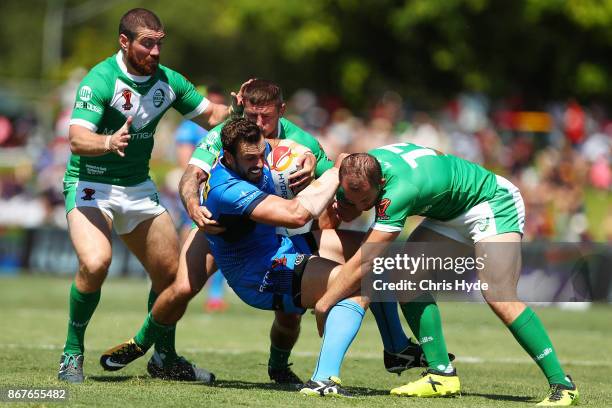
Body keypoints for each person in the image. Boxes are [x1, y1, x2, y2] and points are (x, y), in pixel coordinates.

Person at [102, 80, 445, 385]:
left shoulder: (296, 142)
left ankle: (293, 365)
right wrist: (193, 207)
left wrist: (318, 169)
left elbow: (343, 195)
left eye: (265, 117)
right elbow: (192, 175)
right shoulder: (230, 139)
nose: (258, 125)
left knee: (367, 264)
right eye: (251, 116)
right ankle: (143, 344)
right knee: (182, 286)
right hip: (226, 229)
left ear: (281, 111)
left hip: (276, 235)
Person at [58, 8, 247, 383]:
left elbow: (211, 116)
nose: (156, 52)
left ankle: (164, 358)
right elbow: (77, 138)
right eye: (147, 44)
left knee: (172, 276)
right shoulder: (100, 80)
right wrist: (108, 141)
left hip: (138, 190)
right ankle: (71, 353)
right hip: (90, 187)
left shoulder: (168, 81)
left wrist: (240, 109)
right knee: (96, 264)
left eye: (159, 43)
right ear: (124, 42)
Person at [315, 143, 579, 406]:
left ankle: (563, 384)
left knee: (499, 295)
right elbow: (342, 158)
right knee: (405, 278)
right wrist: (343, 201)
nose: (361, 208)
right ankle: (441, 373)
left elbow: (367, 259)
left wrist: (324, 302)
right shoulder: (357, 167)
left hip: (491, 201)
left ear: (381, 182)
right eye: (354, 199)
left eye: (365, 201)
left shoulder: (399, 192)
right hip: (450, 212)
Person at [173, 85, 228, 312]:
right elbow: (185, 162)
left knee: (218, 238)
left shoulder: (227, 127)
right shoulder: (189, 127)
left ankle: (215, 294)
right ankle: (180, 283)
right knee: (190, 237)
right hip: (196, 189)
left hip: (220, 190)